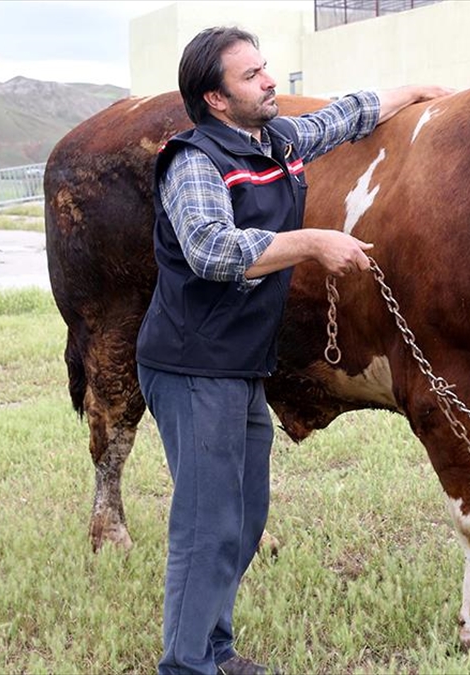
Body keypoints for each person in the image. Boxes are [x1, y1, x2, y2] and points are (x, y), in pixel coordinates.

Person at [134, 25, 452, 675]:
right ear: (216, 99)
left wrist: (417, 89)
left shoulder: (275, 139)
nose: (269, 80)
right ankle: (185, 665)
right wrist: (310, 243)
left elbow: (344, 117)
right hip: (193, 365)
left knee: (244, 518)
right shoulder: (195, 161)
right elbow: (212, 249)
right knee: (208, 524)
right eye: (250, 75)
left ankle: (214, 650)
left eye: (265, 67)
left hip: (240, 365)